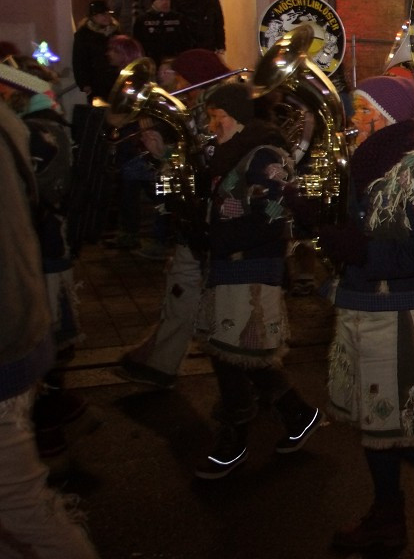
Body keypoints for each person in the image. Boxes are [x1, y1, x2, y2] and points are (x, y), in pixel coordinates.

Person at [287, 74, 414, 555]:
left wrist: (357, 252)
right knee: (375, 423)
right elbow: (359, 226)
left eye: (361, 111)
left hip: (397, 310)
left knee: (399, 426)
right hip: (361, 303)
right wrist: (314, 214)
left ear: (385, 117)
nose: (352, 121)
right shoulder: (367, 162)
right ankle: (388, 518)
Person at [192, 82, 320, 479]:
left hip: (252, 266)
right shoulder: (228, 153)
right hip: (229, 264)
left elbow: (274, 217)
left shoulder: (264, 154)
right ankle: (296, 413)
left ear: (231, 117)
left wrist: (221, 236)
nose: (211, 126)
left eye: (215, 118)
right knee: (235, 352)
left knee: (235, 353)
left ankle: (235, 436)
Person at [0, 99, 99, 559]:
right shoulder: (14, 126)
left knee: (23, 511)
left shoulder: (34, 130)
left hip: (9, 336)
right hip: (17, 327)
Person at [114, 50, 231, 389]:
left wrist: (162, 155)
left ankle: (161, 363)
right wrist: (160, 157)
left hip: (208, 221)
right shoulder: (201, 109)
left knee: (185, 288)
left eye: (181, 80)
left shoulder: (213, 111)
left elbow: (205, 166)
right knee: (183, 289)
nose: (179, 87)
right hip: (199, 220)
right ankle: (158, 359)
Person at [133, 0, 192, 67]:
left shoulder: (178, 18)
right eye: (161, 0)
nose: (165, 2)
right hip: (151, 59)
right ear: (153, 2)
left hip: (173, 58)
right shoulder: (143, 19)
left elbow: (186, 40)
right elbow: (137, 40)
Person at [72, 0, 120, 100]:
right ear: (93, 17)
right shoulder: (83, 35)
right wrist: (84, 83)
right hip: (96, 81)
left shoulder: (116, 32)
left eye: (108, 13)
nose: (106, 17)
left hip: (116, 79)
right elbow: (79, 60)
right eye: (102, 14)